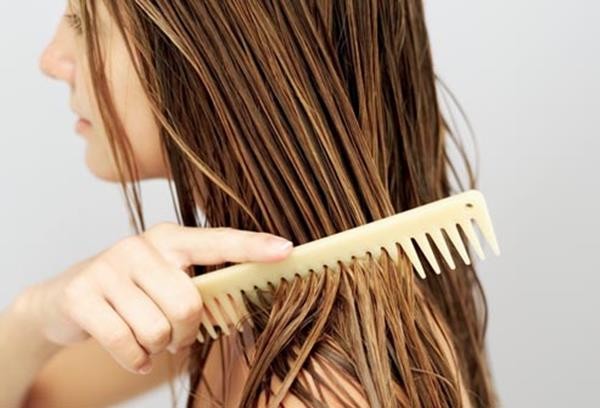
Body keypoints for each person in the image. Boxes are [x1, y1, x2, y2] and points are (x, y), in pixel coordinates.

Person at [1, 0, 498, 407]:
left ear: (218, 59)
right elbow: (35, 395)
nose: (52, 59)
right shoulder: (248, 302)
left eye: (84, 21)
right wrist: (35, 316)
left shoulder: (314, 389)